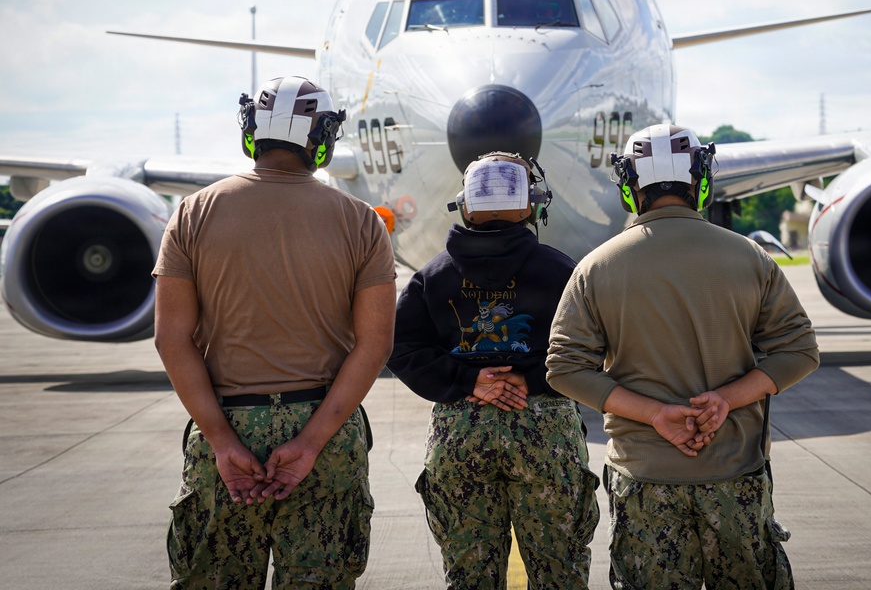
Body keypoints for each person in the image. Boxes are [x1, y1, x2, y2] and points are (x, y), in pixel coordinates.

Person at [546, 123, 820, 590]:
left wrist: (656, 415)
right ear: (703, 183)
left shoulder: (596, 267)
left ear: (630, 190)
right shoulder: (751, 257)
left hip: (644, 476)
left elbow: (565, 369)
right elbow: (799, 351)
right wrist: (725, 401)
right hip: (736, 473)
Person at [153, 76, 396, 589]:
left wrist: (220, 440)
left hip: (226, 425)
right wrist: (310, 443)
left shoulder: (193, 213)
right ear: (323, 139)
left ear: (251, 133)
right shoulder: (361, 223)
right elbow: (375, 344)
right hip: (325, 433)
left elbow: (172, 340)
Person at [388, 152, 600, 590]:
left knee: (469, 573)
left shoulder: (432, 276)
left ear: (465, 205)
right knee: (559, 570)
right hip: (546, 432)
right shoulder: (562, 270)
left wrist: (470, 381)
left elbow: (400, 346)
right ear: (532, 206)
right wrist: (531, 378)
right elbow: (596, 346)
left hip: (459, 433)